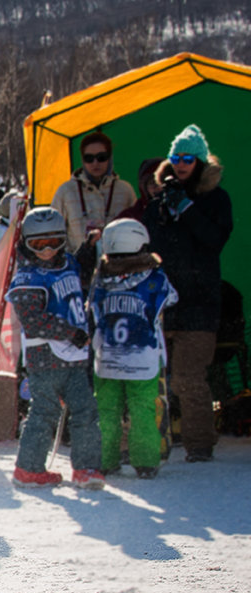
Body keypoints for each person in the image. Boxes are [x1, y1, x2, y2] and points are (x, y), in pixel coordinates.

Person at [142, 124, 233, 463]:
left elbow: (214, 240)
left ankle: (199, 444)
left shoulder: (216, 199)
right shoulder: (161, 197)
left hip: (200, 302)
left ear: (200, 162)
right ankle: (149, 440)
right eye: (176, 158)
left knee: (188, 378)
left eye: (188, 159)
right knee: (151, 379)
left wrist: (188, 210)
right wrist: (162, 210)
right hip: (163, 302)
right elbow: (146, 244)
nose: (181, 164)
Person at [5, 207, 104, 489]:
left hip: (74, 359)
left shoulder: (68, 264)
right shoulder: (27, 279)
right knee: (45, 411)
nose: (46, 250)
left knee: (85, 410)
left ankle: (86, 468)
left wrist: (88, 248)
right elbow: (33, 321)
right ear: (26, 243)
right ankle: (29, 468)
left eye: (53, 242)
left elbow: (79, 272)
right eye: (38, 244)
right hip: (44, 359)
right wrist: (69, 332)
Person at [88, 219, 177, 478]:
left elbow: (91, 308)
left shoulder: (101, 277)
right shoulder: (155, 276)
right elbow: (171, 298)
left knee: (106, 411)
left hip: (107, 358)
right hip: (142, 358)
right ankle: (146, 461)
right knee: (143, 410)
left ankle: (105, 460)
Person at [50, 131, 136, 255]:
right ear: (83, 160)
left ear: (110, 158)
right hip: (78, 267)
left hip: (117, 265)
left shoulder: (125, 190)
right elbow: (54, 232)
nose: (95, 163)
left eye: (101, 157)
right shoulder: (66, 191)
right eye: (89, 158)